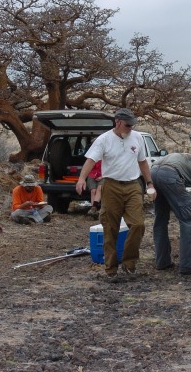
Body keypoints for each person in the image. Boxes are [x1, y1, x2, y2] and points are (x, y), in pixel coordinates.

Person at [75, 108, 155, 280]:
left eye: (132, 125)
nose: (130, 128)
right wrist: (81, 179)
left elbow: (142, 162)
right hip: (111, 185)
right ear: (117, 122)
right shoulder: (103, 140)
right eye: (127, 125)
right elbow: (91, 160)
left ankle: (129, 262)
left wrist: (149, 183)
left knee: (138, 224)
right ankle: (111, 268)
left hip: (133, 185)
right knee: (110, 227)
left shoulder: (137, 137)